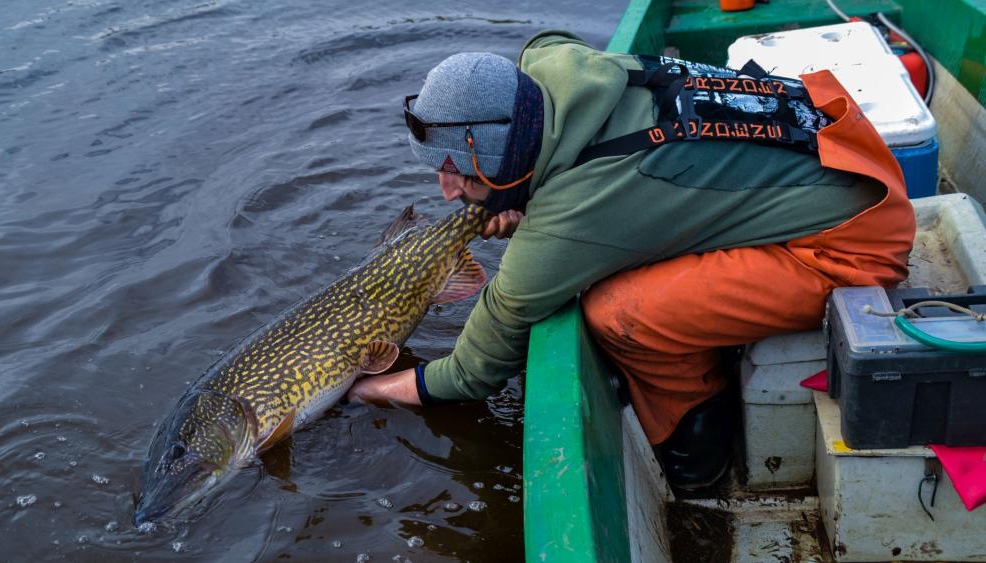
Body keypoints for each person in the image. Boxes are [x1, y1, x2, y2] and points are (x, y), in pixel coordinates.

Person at [349, 30, 915, 489]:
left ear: (499, 152)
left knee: (619, 311)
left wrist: (369, 388)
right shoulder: (557, 70)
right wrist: (521, 192)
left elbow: (474, 372)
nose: (448, 192)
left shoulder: (578, 212)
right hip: (846, 152)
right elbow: (548, 38)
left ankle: (698, 446)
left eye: (458, 171)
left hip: (854, 241)